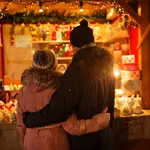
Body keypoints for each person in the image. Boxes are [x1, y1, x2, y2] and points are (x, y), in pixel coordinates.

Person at [23, 20, 115, 150]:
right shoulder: (107, 64)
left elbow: (59, 109)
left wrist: (30, 119)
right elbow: (111, 102)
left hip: (84, 141)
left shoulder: (77, 68)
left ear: (74, 46)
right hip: (105, 136)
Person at [17, 50, 111, 150]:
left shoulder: (23, 91)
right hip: (55, 142)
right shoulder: (59, 89)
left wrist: (24, 142)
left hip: (31, 142)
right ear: (54, 65)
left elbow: (20, 125)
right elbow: (72, 127)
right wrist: (98, 122)